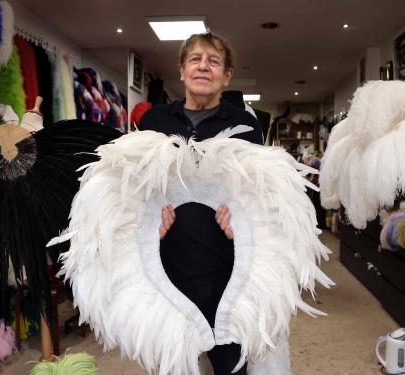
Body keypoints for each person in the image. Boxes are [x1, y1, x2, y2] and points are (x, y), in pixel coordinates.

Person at [138, 32, 263, 374]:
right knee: (171, 362)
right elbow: (134, 190)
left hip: (228, 266)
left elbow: (260, 195)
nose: (203, 67)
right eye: (195, 59)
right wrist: (149, 221)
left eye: (213, 61)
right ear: (182, 70)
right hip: (168, 264)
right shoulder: (153, 123)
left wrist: (243, 217)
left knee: (231, 363)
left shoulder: (245, 127)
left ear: (227, 74)